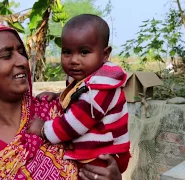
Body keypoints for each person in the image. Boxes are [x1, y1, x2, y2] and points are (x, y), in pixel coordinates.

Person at [0, 23, 124, 180]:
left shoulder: (62, 114)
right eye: (7, 56)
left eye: (22, 53)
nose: (22, 61)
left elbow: (103, 155)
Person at [28, 14, 131, 173]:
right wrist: (60, 96)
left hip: (105, 155)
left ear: (105, 54)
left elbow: (73, 123)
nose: (74, 60)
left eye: (84, 52)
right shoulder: (87, 76)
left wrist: (43, 129)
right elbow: (78, 95)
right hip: (98, 146)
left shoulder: (101, 88)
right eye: (67, 52)